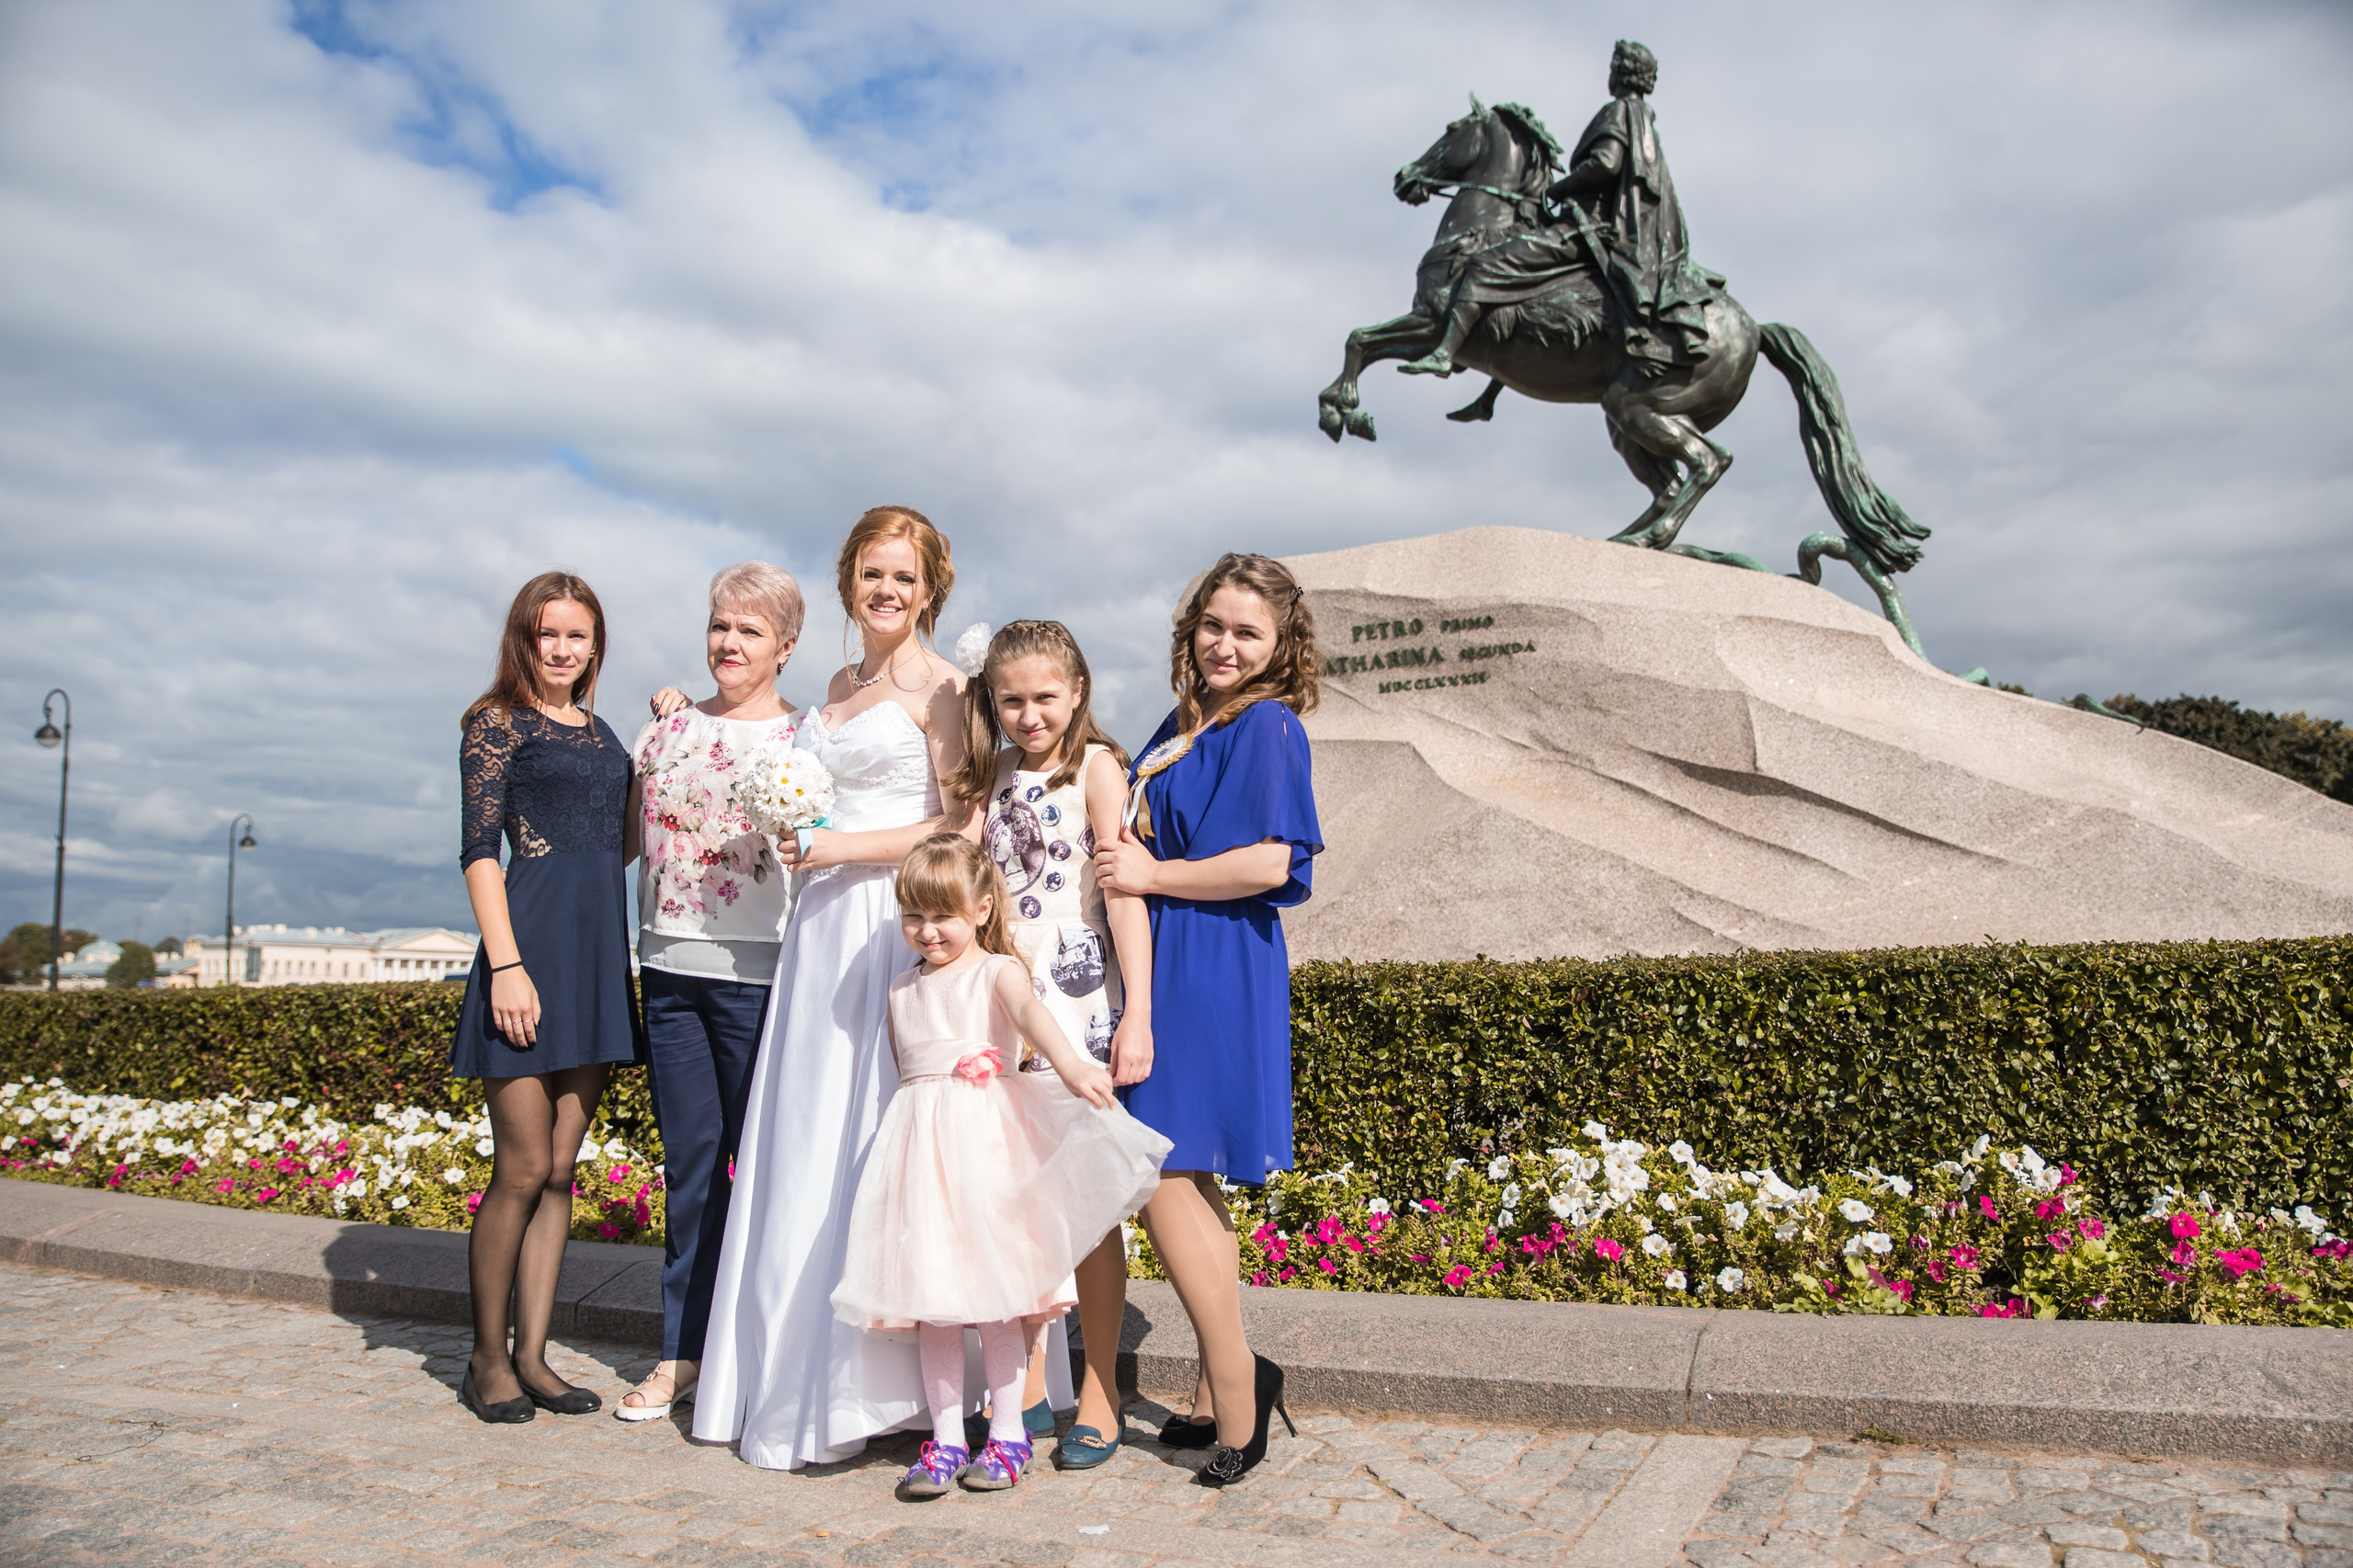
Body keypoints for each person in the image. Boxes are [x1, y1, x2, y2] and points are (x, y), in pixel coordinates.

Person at [693, 506, 977, 1471]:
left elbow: (960, 829)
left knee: (876, 1136)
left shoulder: (946, 692)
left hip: (890, 924)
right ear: (849, 582)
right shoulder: (836, 683)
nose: (885, 591)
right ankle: (793, 1367)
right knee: (808, 1133)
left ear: (930, 587)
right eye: (869, 574)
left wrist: (837, 850)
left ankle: (890, 1384)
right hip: (816, 930)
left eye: (902, 576)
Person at [832, 835, 1168, 1499]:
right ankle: (947, 1438)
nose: (928, 932)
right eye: (914, 917)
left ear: (983, 908)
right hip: (923, 1155)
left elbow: (1032, 1017)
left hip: (985, 1150)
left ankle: (1009, 1431)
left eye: (943, 916)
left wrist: (1071, 1064)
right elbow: (909, 1076)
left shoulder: (997, 972)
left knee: (996, 1302)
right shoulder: (903, 988)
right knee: (935, 1303)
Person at [1094, 552, 1321, 1485]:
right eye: (1212, 625)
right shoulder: (1183, 721)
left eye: (1247, 631)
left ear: (1280, 646)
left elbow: (1271, 862)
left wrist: (1150, 876)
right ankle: (1223, 1380)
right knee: (1182, 1175)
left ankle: (1236, 1388)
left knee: (1165, 1172)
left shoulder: (1266, 725)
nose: (1224, 644)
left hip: (1216, 957)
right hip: (1171, 953)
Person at [949, 620, 1152, 1469]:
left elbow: (1126, 894)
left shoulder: (1098, 769)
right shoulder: (992, 774)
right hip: (1006, 1004)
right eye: (1011, 700)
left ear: (1077, 693)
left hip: (1081, 1005)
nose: (1030, 715)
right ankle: (1026, 1384)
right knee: (1016, 1198)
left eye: (1045, 698)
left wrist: (1137, 1013)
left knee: (1088, 1207)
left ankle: (1097, 1387)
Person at [613, 562, 806, 1423]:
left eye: (751, 631)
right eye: (721, 626)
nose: (730, 643)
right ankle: (681, 1356)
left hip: (759, 977)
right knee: (691, 1170)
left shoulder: (806, 741)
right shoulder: (665, 729)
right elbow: (620, 841)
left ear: (786, 647)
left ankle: (763, 1357)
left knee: (765, 1171)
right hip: (667, 970)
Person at [451, 571, 643, 1424]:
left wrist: (671, 730)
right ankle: (487, 1359)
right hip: (524, 957)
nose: (564, 650)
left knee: (563, 1171)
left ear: (596, 642)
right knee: (523, 1167)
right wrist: (507, 965)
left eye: (578, 635)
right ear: (523, 640)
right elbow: (479, 851)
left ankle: (534, 1355)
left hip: (597, 960)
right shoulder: (495, 724)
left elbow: (625, 843)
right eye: (548, 635)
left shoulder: (605, 734)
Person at [1401, 40, 1720, 379]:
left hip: (1589, 229)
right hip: (1610, 229)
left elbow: (1606, 163)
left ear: (1619, 74)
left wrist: (1561, 186)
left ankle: (1446, 354)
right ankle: (1490, 387)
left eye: (1613, 67)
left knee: (1485, 264)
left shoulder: (1619, 111)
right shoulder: (1644, 121)